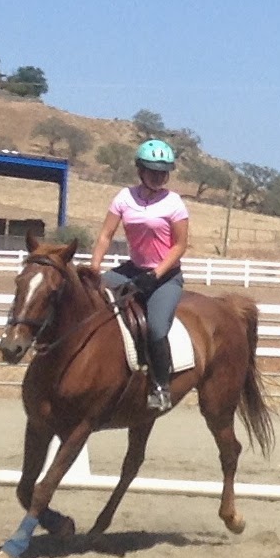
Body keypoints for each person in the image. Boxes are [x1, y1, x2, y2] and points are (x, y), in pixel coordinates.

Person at [88, 139, 189, 412]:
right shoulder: (124, 198)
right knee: (91, 301)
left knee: (156, 329)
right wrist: (94, 269)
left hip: (165, 276)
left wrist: (155, 274)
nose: (158, 176)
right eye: (153, 170)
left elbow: (179, 246)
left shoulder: (174, 203)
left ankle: (161, 386)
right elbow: (105, 235)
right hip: (133, 269)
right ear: (140, 171)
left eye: (163, 172)